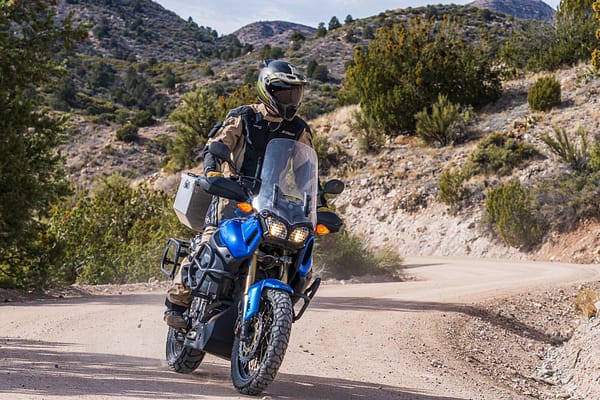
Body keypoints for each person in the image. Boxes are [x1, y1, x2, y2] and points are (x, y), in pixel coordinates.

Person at [164, 59, 313, 329]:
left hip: (271, 201)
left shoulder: (298, 129)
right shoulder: (243, 116)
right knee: (208, 243)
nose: (291, 100)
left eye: (295, 94)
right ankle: (177, 301)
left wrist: (317, 202)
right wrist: (212, 171)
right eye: (284, 93)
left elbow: (307, 171)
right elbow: (216, 145)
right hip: (232, 195)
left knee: (299, 253)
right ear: (267, 90)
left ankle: (276, 312)